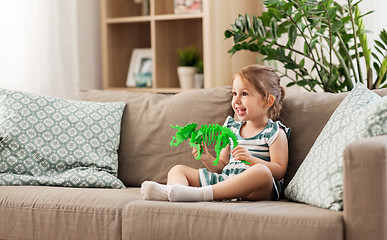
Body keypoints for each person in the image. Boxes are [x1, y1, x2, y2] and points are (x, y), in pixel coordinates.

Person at [141, 65, 290, 202]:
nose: (236, 100)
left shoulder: (274, 132)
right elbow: (221, 167)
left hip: (254, 189)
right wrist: (206, 157)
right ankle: (173, 193)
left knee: (262, 172)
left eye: (244, 94)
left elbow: (279, 170)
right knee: (177, 169)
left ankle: (199, 194)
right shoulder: (232, 129)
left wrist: (251, 160)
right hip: (225, 181)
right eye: (234, 93)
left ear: (268, 101)